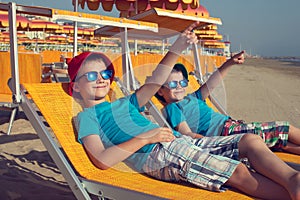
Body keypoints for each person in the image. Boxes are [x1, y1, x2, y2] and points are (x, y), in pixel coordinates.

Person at [68, 23, 300, 200]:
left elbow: (156, 80)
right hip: (158, 155)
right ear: (75, 86)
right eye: (91, 76)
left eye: (106, 74)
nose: (101, 79)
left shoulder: (124, 103)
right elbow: (101, 159)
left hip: (178, 143)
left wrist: (176, 48)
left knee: (249, 141)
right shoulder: (86, 117)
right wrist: (146, 137)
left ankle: (293, 179)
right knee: (237, 171)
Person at [155, 53, 300, 155]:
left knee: (283, 143)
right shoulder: (173, 108)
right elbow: (186, 133)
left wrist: (230, 62)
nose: (179, 87)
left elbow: (213, 83)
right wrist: (215, 142)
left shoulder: (193, 97)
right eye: (173, 84)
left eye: (182, 82)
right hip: (226, 133)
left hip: (233, 126)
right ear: (160, 91)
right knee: (285, 127)